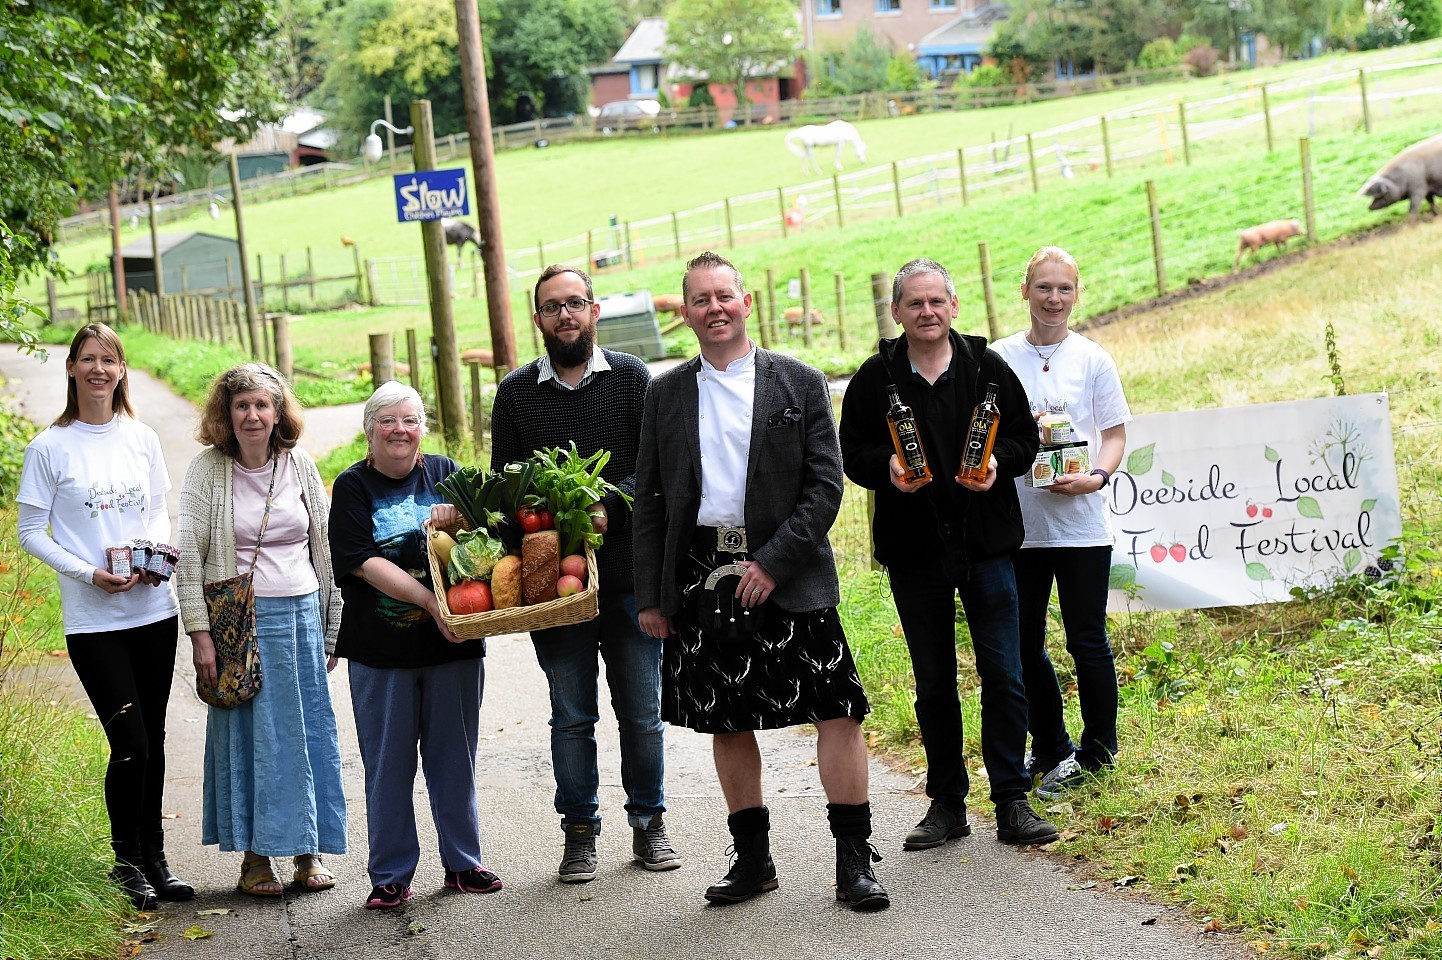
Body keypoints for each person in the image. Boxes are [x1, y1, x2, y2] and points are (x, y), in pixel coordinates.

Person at [634, 251, 889, 912]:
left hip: (791, 569)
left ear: (746, 303)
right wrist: (652, 598)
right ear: (685, 313)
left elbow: (824, 486)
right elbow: (653, 503)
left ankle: (853, 862)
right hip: (700, 577)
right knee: (725, 720)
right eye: (700, 299)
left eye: (724, 295)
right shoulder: (664, 394)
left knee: (838, 710)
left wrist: (772, 562)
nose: (714, 307)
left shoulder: (798, 382)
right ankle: (753, 863)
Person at [838, 258, 1058, 850]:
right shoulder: (874, 380)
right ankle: (946, 805)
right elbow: (850, 450)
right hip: (915, 553)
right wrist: (885, 468)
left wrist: (997, 464)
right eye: (915, 303)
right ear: (897, 312)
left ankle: (1012, 799)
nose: (927, 312)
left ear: (954, 307)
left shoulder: (988, 369)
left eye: (937, 302)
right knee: (934, 682)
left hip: (987, 547)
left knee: (1005, 675)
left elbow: (1022, 437)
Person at [487, 263, 675, 883]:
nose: (565, 314)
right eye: (551, 306)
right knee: (571, 715)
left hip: (626, 579)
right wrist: (542, 527)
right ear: (538, 319)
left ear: (595, 311)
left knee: (641, 711)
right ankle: (579, 833)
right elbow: (506, 488)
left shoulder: (629, 379)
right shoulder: (515, 394)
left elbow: (648, 470)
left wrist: (603, 507)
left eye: (575, 303)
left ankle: (649, 824)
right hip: (555, 587)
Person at [15, 323, 191, 910]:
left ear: (121, 370)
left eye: (109, 360)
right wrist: (89, 573)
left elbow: (161, 512)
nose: (99, 370)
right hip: (94, 621)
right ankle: (126, 861)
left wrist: (152, 557)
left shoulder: (140, 438)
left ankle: (157, 859)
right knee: (130, 742)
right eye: (88, 359)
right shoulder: (49, 448)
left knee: (156, 739)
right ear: (70, 368)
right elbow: (29, 534)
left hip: (151, 608)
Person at [175, 363, 346, 897]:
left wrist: (331, 625)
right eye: (241, 406)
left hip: (300, 616)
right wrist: (200, 633)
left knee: (303, 736)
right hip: (238, 626)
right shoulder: (208, 471)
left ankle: (307, 849)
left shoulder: (301, 465)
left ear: (278, 413)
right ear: (227, 415)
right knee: (252, 739)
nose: (252, 415)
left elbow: (327, 551)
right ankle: (254, 857)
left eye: (261, 405)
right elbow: (188, 558)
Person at [328, 381, 500, 909]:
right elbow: (361, 561)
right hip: (382, 653)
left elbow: (490, 538)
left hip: (454, 647)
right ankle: (391, 873)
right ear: (369, 430)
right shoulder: (353, 487)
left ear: (423, 428)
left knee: (455, 759)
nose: (400, 430)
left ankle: (463, 863)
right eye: (388, 420)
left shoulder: (447, 473)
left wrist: (464, 517)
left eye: (410, 420)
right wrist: (431, 603)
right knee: (388, 765)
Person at [991, 247, 1130, 799]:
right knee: (1024, 646)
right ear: (1024, 292)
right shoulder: (998, 358)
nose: (1054, 298)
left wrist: (1096, 476)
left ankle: (1099, 752)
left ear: (1077, 294)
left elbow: (1115, 433)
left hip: (1080, 526)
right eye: (1043, 288)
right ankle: (1051, 748)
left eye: (1064, 289)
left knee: (1087, 641)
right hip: (1018, 527)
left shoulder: (1092, 358)